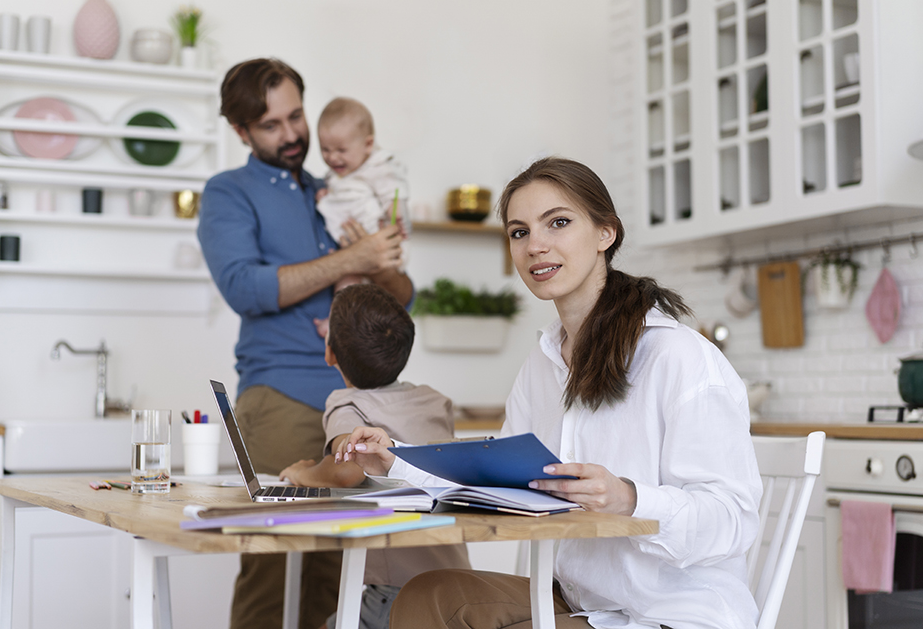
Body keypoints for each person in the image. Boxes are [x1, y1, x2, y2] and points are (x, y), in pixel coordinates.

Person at [339, 157, 763, 629]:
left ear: (606, 233)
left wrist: (629, 497)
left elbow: (733, 520)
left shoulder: (678, 357)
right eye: (519, 232)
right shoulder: (541, 365)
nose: (536, 246)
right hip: (579, 598)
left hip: (673, 613)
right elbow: (491, 482)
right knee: (429, 594)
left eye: (558, 223)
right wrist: (394, 460)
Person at [196, 57, 413, 629]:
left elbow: (400, 299)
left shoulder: (337, 189)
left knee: (341, 569)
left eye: (296, 116)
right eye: (272, 125)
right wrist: (352, 259)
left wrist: (382, 260)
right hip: (281, 397)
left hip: (359, 404)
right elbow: (245, 287)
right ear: (241, 131)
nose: (293, 135)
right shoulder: (227, 192)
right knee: (273, 562)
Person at [279, 283, 472, 629]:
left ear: (330, 353)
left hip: (397, 590)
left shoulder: (347, 404)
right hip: (456, 581)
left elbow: (346, 472)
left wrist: (302, 473)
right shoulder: (433, 400)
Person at [312, 97, 411, 338]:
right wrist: (327, 194)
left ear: (368, 144)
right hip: (352, 244)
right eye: (325, 150)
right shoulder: (341, 172)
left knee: (357, 289)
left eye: (341, 150)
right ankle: (336, 323)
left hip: (378, 239)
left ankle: (342, 325)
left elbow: (394, 190)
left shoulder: (378, 166)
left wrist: (395, 213)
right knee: (347, 283)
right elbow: (339, 191)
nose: (333, 158)